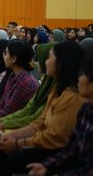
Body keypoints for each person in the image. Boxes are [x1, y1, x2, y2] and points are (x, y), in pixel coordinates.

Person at [27, 47, 93, 176]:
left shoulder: (74, 98)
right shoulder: (86, 109)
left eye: (83, 74)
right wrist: (46, 167)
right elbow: (72, 148)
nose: (79, 79)